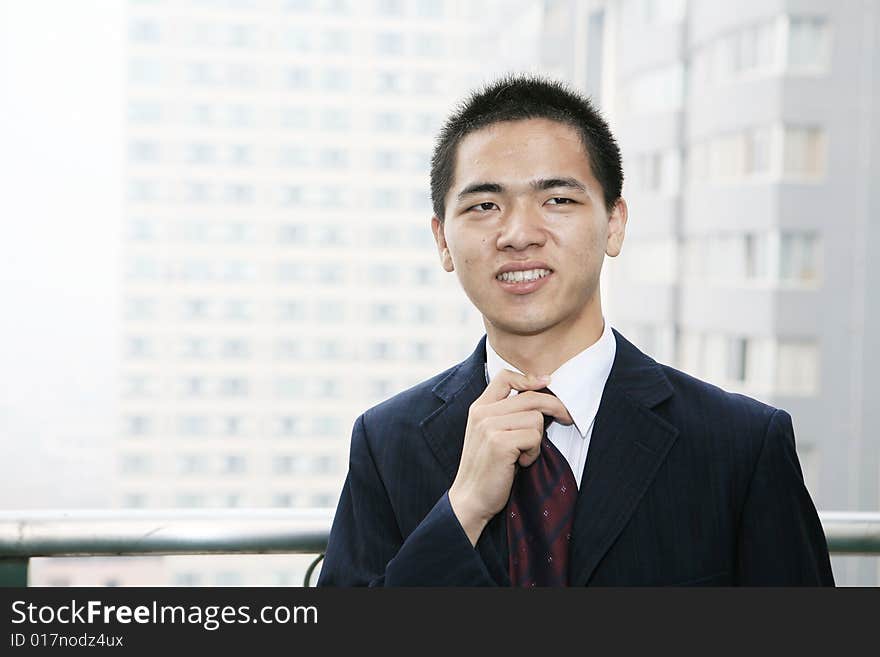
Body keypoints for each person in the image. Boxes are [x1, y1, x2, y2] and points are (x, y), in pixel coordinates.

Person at [317, 75, 834, 586]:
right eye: (484, 206)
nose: (518, 235)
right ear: (443, 242)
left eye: (557, 200)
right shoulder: (386, 443)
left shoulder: (740, 444)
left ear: (614, 224)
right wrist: (463, 510)